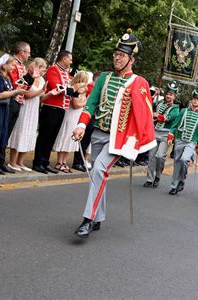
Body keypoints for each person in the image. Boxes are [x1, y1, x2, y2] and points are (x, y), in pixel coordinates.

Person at [72, 29, 156, 238]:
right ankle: (99, 216)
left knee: (99, 170)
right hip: (99, 133)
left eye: (122, 55)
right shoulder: (104, 78)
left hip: (118, 139)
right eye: (115, 54)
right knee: (97, 176)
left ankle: (88, 219)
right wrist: (82, 125)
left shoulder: (139, 83)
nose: (117, 58)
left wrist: (135, 143)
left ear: (131, 59)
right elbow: (91, 105)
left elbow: (143, 114)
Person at [0, 41, 31, 174]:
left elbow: (23, 86)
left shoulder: (22, 66)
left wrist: (29, 79)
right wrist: (29, 78)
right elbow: (14, 83)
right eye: (28, 52)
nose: (28, 55)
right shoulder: (11, 62)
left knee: (6, 133)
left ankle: (0, 160)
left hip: (18, 101)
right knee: (2, 131)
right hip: (11, 100)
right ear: (22, 52)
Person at [32, 50, 76, 174]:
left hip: (61, 109)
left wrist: (72, 91)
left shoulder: (65, 73)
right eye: (70, 59)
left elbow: (65, 89)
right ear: (64, 59)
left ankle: (45, 162)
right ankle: (38, 162)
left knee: (52, 137)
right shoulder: (53, 69)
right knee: (44, 136)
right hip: (51, 107)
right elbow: (58, 87)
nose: (71, 61)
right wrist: (74, 91)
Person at [7, 57, 47, 171]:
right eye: (42, 70)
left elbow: (41, 97)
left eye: (44, 71)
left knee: (29, 133)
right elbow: (27, 95)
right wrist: (41, 90)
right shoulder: (28, 77)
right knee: (20, 132)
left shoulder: (42, 80)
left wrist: (49, 93)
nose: (43, 72)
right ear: (36, 67)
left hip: (34, 108)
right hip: (26, 106)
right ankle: (12, 161)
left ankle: (20, 162)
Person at [167, 88, 198, 195]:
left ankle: (182, 178)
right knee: (176, 163)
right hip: (180, 139)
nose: (195, 101)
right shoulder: (183, 111)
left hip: (191, 142)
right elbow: (175, 124)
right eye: (194, 99)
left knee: (184, 159)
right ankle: (174, 186)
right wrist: (171, 135)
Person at [143, 81, 180, 188]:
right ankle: (149, 179)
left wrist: (156, 115)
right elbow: (149, 104)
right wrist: (154, 96)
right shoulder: (159, 103)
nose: (168, 96)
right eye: (168, 93)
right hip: (155, 132)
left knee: (160, 156)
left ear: (174, 96)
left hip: (165, 134)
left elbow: (167, 118)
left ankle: (158, 175)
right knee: (151, 156)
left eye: (171, 94)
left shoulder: (175, 108)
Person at [53, 71, 89, 172]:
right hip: (71, 116)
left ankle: (64, 162)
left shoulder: (82, 91)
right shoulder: (75, 89)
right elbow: (76, 104)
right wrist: (87, 101)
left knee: (70, 140)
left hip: (77, 117)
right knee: (66, 137)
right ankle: (59, 162)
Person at [72, 71, 101, 172]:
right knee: (84, 140)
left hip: (94, 116)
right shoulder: (91, 87)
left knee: (87, 140)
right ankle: (78, 161)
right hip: (88, 115)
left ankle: (81, 160)